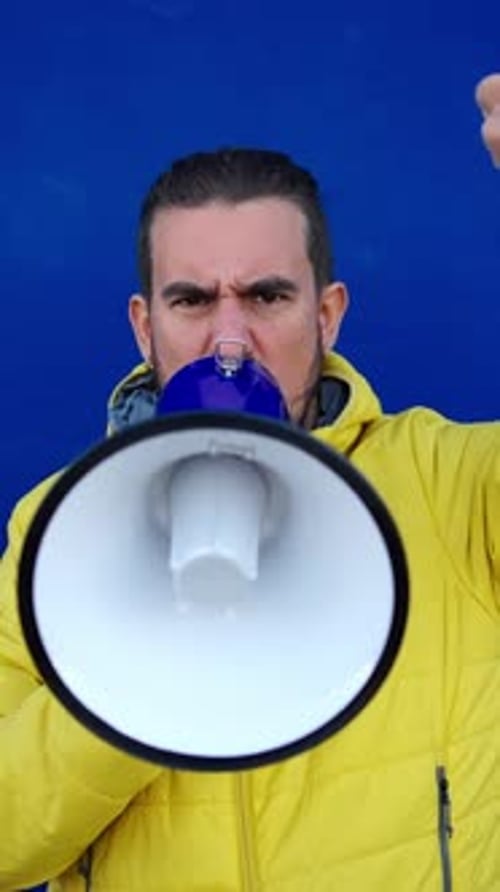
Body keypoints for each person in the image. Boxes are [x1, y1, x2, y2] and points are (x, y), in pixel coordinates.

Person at [0, 75, 499, 892]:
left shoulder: (453, 487)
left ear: (327, 314)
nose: (229, 340)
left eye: (267, 295)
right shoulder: (52, 529)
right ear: (143, 324)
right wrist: (138, 659)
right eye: (192, 299)